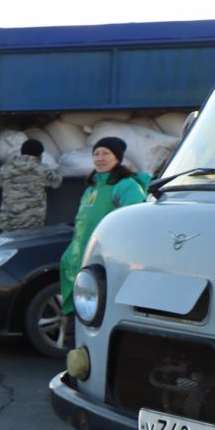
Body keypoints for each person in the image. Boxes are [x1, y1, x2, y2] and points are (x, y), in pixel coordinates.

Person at [59, 135, 149, 319]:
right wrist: (70, 255)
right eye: (96, 153)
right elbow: (82, 225)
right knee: (79, 318)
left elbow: (134, 223)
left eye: (106, 153)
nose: (99, 158)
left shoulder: (126, 186)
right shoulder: (93, 186)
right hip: (82, 262)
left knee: (98, 318)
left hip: (106, 262)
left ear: (117, 158)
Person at [0, 137, 63, 232]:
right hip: (32, 224)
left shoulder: (6, 169)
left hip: (9, 223)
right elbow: (57, 182)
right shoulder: (42, 170)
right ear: (40, 155)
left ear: (22, 152)